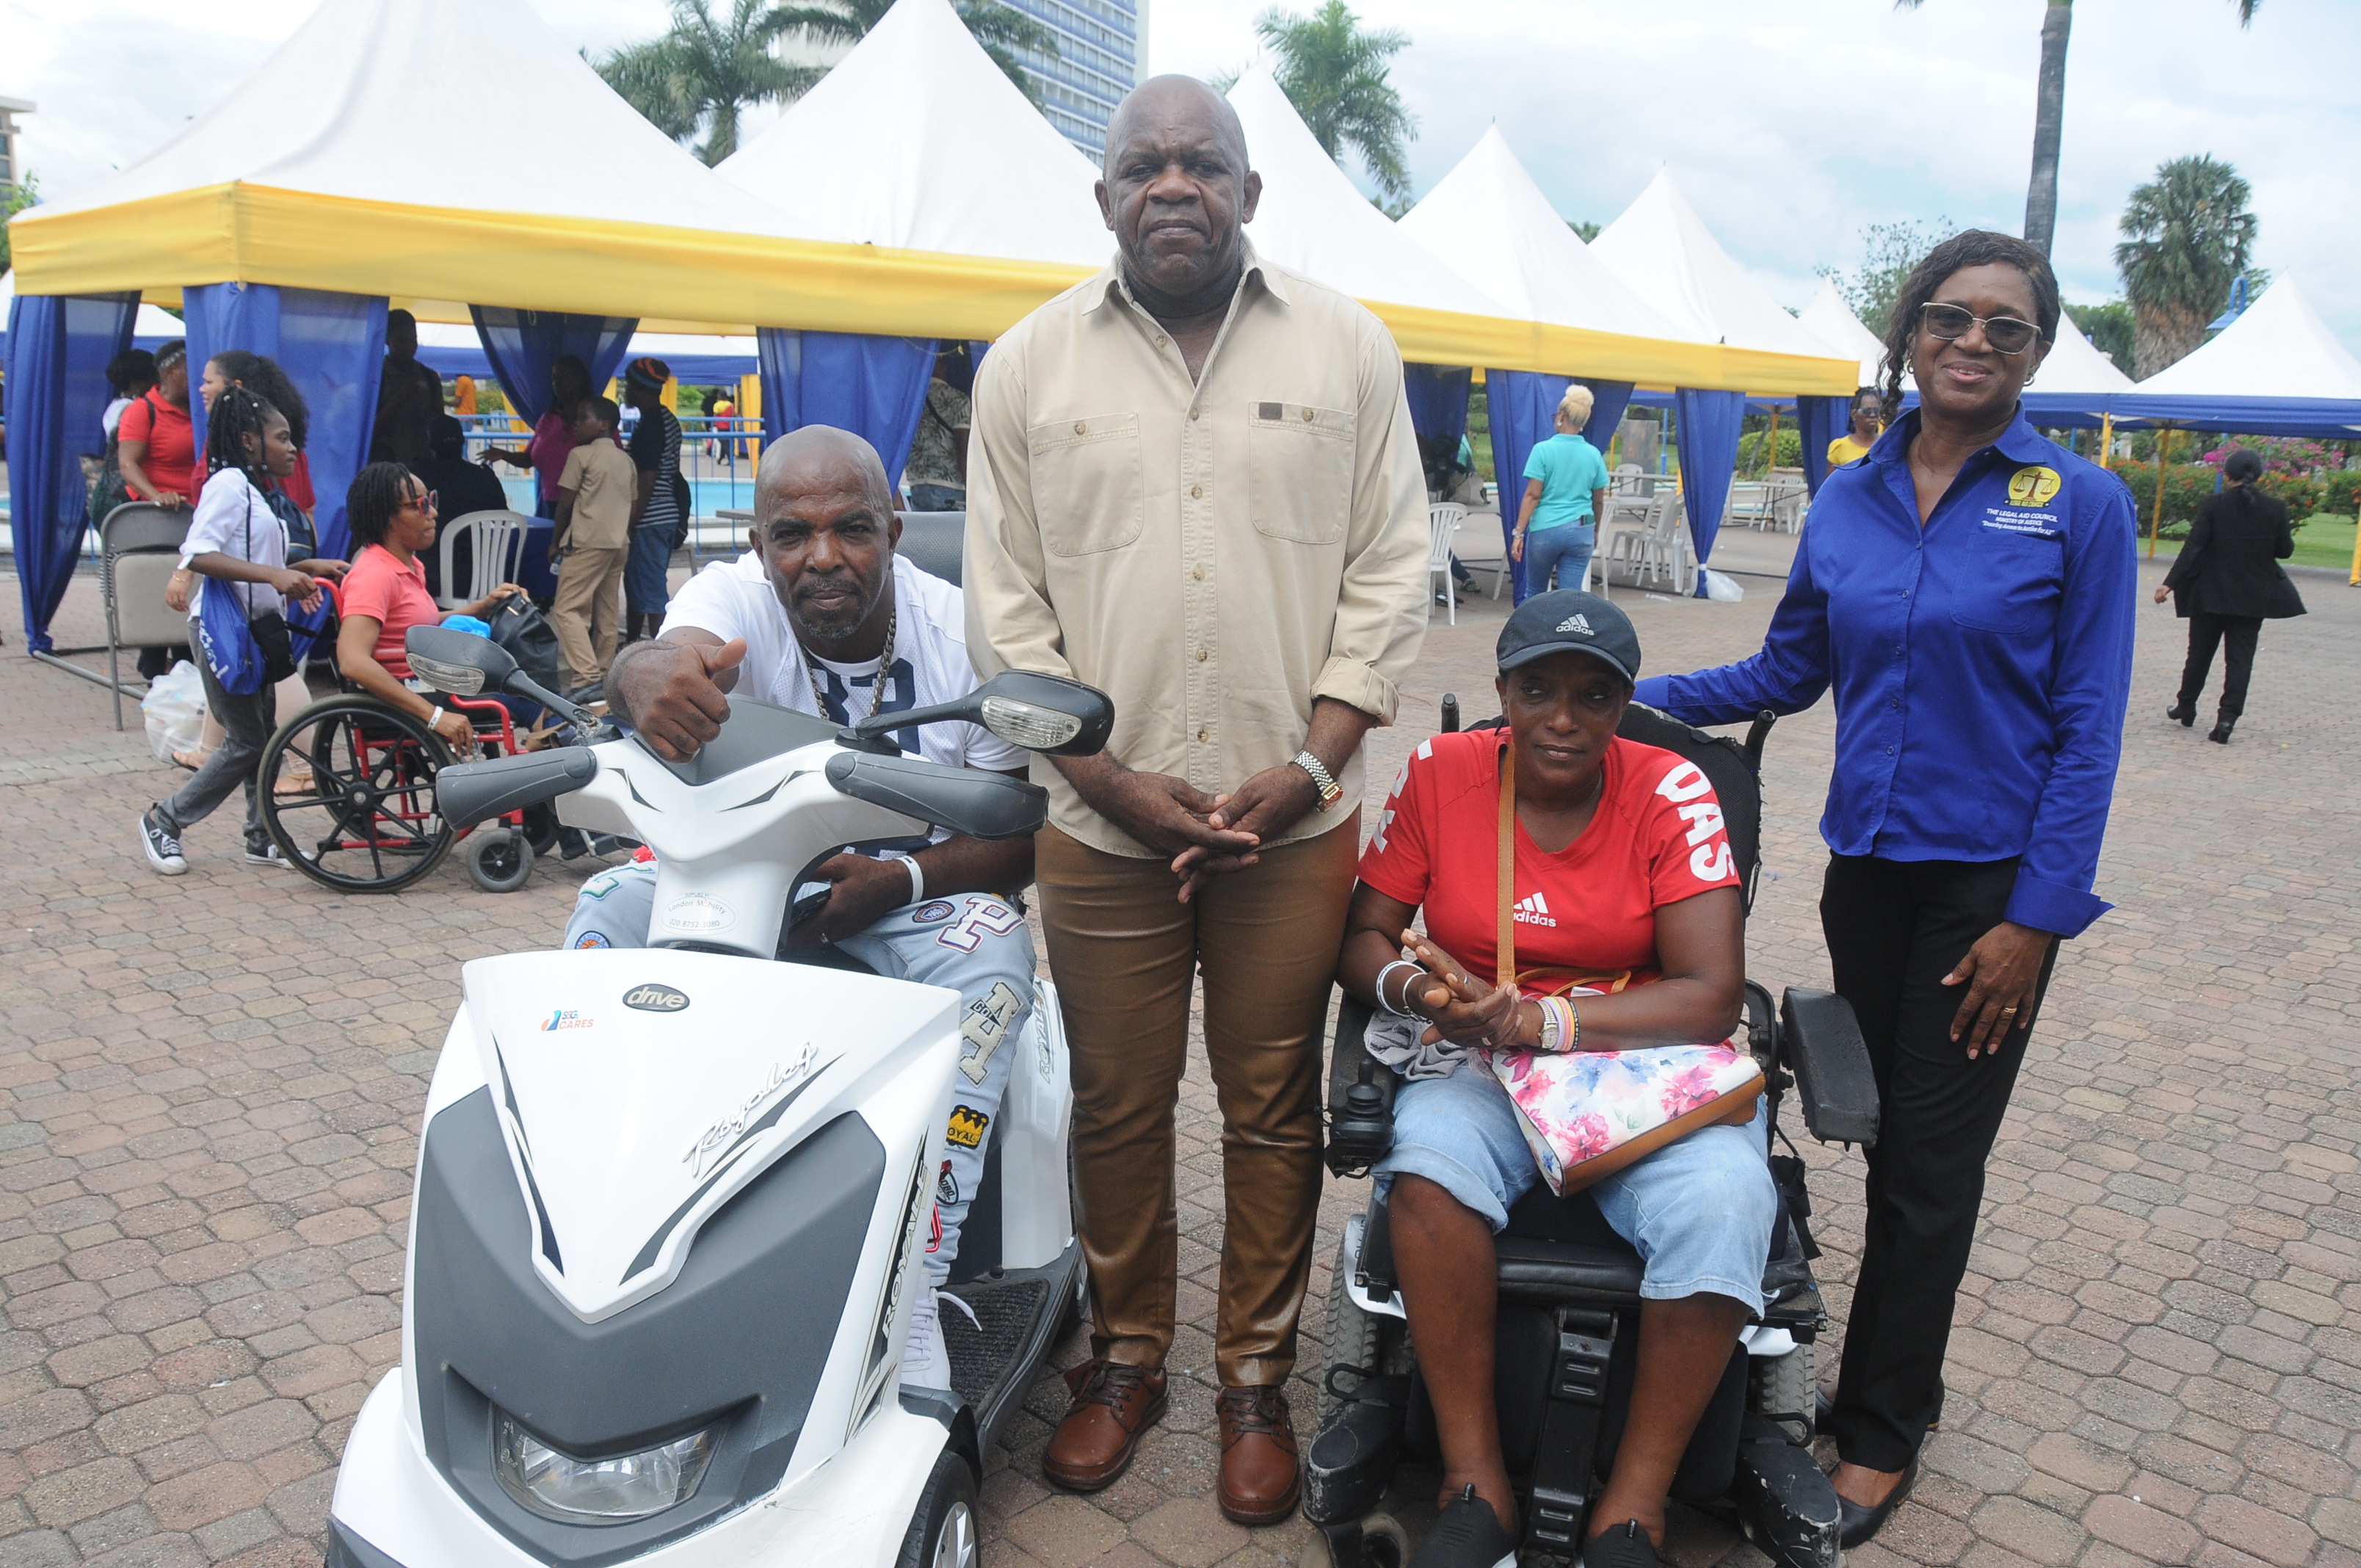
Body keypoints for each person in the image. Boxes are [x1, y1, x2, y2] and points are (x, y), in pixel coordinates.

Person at [963, 74, 1430, 1523]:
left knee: (1274, 1107)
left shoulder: (1347, 348)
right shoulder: (1026, 368)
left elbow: (1390, 570)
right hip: (1102, 826)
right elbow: (1007, 614)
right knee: (1112, 1108)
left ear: (1248, 194)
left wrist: (1307, 767)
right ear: (1105, 197)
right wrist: (1102, 775)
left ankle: (1253, 1382)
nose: (1174, 187)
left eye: (1203, 166)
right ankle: (1129, 1360)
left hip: (1293, 823)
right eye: (1144, 167)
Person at [1633, 231, 2136, 1548]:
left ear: (2036, 351)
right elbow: (1784, 671)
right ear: (1910, 331)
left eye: (2006, 328)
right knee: (1871, 1132)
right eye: (1950, 317)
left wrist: (2038, 916)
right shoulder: (1848, 493)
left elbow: (2088, 728)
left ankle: (1879, 1423)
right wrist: (1613, 696)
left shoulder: (2075, 502)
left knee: (1929, 1160)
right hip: (1870, 874)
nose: (1974, 342)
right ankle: (1888, 1372)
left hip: (1991, 898)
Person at [590, 424, 1037, 1395]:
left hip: (909, 894)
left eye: (854, 530)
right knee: (606, 908)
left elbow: (1018, 838)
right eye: (792, 533)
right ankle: (607, 1210)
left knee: (998, 954)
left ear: (897, 530)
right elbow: (669, 652)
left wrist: (898, 882)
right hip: (751, 880)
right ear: (756, 543)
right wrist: (637, 677)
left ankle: (915, 1282)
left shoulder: (963, 634)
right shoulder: (731, 602)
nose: (823, 557)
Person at [1339, 591, 1769, 1568]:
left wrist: (1545, 1018)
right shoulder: (1443, 773)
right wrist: (1416, 989)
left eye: (1593, 695)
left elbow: (1709, 995)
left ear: (1623, 705)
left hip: (1634, 1072)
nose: (1563, 717)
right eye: (1538, 689)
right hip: (1480, 1064)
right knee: (1428, 1171)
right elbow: (1363, 936)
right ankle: (1473, 1481)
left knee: (1729, 1200)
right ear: (1503, 692)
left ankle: (1634, 1509)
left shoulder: (1672, 790)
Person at [137, 388, 342, 876]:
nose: (293, 449)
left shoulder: (254, 491)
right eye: (283, 438)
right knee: (248, 738)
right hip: (224, 631)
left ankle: (261, 836)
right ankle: (164, 820)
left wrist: (302, 567)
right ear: (250, 440)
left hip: (258, 630)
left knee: (262, 734)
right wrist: (274, 577)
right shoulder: (228, 484)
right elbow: (199, 553)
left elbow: (252, 559)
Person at [335, 463, 523, 752]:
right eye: (420, 505)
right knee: (528, 698)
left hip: (430, 681)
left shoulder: (406, 565)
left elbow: (422, 625)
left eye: (431, 500)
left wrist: (482, 607)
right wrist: (434, 716)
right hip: (416, 692)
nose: (433, 513)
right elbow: (352, 661)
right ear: (387, 517)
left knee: (529, 679)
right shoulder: (374, 574)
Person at [2158, 447, 2306, 744]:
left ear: (2228, 475)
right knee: (2240, 661)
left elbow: (2194, 546)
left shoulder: (2214, 505)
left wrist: (2169, 583)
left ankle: (2186, 706)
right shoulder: (2275, 508)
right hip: (2253, 598)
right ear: (2260, 475)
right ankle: (2227, 719)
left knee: (2198, 654)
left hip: (2210, 594)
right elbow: (2284, 551)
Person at [549, 398, 636, 692]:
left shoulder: (580, 455)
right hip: (618, 541)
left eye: (582, 417)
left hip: (587, 540)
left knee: (566, 609)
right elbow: (633, 503)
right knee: (607, 609)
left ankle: (585, 676)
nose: (576, 424)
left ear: (604, 425)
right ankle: (602, 672)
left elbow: (565, 502)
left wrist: (554, 541)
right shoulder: (625, 460)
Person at [1512, 385, 1611, 598]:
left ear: (1561, 416)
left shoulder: (1543, 450)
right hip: (1581, 529)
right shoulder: (1593, 454)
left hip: (1546, 529)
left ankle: (1535, 631)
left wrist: (1518, 533)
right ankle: (1568, 631)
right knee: (1570, 596)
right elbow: (1599, 500)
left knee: (1536, 593)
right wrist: (1595, 530)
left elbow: (1533, 495)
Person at [483, 353, 597, 517]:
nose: (557, 384)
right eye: (554, 378)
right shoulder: (548, 418)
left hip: (586, 505)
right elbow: (529, 459)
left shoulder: (595, 416)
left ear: (579, 380)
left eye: (564, 378)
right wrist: (503, 454)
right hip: (550, 502)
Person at [413, 414, 512, 599]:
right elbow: (503, 516)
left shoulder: (416, 477)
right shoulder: (484, 477)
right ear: (463, 441)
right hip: (484, 575)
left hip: (432, 578)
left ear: (429, 444)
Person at [623, 356, 684, 642]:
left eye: (629, 383)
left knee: (649, 588)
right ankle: (633, 643)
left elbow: (647, 481)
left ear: (639, 388)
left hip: (650, 517)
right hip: (665, 514)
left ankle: (664, 649)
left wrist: (632, 519)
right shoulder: (667, 420)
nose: (626, 388)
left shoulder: (650, 427)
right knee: (639, 584)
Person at [118, 340, 200, 509]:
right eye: (192, 371)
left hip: (205, 510)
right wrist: (157, 496)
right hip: (168, 514)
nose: (199, 378)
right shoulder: (142, 411)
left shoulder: (203, 407)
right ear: (170, 373)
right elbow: (128, 464)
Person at [370, 309, 446, 466]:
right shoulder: (375, 378)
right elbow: (368, 431)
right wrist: (399, 399)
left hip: (423, 466)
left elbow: (440, 426)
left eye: (413, 339)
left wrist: (429, 416)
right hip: (386, 468)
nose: (410, 346)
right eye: (402, 340)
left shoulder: (429, 377)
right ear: (387, 339)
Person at [905, 352, 972, 512]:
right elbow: (963, 448)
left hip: (917, 484)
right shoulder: (958, 400)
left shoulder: (911, 401)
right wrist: (972, 487)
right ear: (942, 364)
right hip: (950, 487)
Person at [103, 349, 159, 440]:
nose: (158, 383)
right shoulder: (124, 409)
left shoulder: (117, 407)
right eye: (153, 378)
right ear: (136, 383)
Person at [1826, 385, 1885, 468]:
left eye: (1876, 411)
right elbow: (1832, 480)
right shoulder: (1839, 447)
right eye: (1867, 411)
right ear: (1853, 414)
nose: (1872, 415)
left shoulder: (1887, 445)